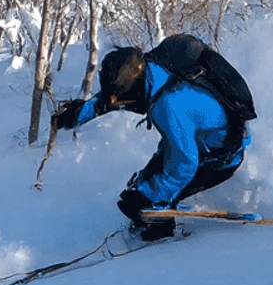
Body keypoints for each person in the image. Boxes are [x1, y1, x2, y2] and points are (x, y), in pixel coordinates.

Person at [51, 36, 252, 241]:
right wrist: (75, 116)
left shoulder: (168, 105)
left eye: (121, 98)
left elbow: (185, 163)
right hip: (197, 141)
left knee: (148, 199)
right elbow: (110, 98)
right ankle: (151, 213)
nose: (118, 103)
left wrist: (151, 196)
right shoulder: (153, 71)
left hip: (219, 157)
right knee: (139, 191)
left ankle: (162, 235)